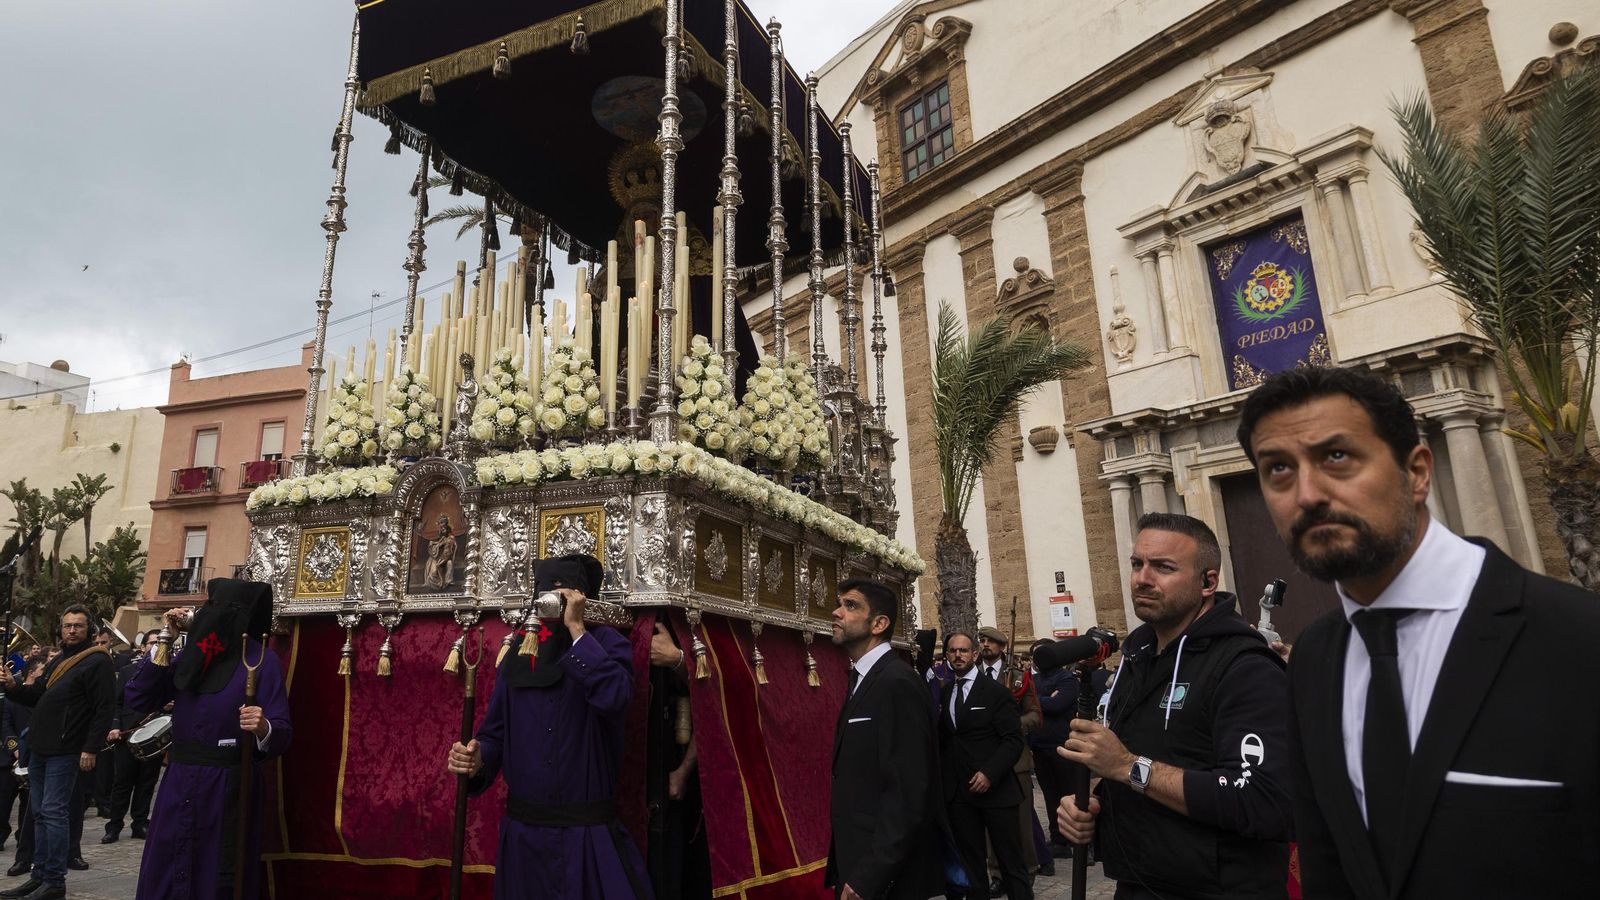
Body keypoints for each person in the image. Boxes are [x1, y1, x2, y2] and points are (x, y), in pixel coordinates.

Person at [1237, 366, 1600, 898]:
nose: (1307, 493)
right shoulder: (1314, 658)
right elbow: (1328, 860)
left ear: (1417, 472)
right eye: (1278, 470)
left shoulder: (1577, 640)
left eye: (1336, 456)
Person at [1057, 513, 1292, 900]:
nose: (1142, 578)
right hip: (1136, 885)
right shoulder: (1137, 657)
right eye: (1137, 564)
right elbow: (1138, 758)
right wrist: (1089, 803)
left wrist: (1128, 767)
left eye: (1163, 567)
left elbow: (1263, 800)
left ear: (1208, 582)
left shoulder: (1245, 667)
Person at [446, 554, 651, 899]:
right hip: (526, 843)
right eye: (545, 590)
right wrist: (478, 756)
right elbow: (494, 734)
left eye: (562, 592)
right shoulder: (520, 652)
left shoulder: (605, 643)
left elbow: (615, 696)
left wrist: (577, 629)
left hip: (586, 840)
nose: (552, 599)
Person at [123, 578, 292, 900]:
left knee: (216, 872)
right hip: (180, 779)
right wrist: (165, 640)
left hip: (228, 784)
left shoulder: (260, 660)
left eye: (217, 607)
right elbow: (138, 697)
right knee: (167, 864)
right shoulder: (195, 653)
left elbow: (281, 730)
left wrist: (262, 726)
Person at [824, 578, 944, 900]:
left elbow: (907, 793)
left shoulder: (898, 682)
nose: (836, 612)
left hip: (885, 876)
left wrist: (870, 876)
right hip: (857, 859)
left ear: (879, 623)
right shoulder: (862, 679)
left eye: (850, 606)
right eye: (839, 604)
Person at [0, 606, 115, 900]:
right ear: (61, 629)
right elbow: (37, 693)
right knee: (38, 815)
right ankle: (38, 876)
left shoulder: (97, 661)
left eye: (77, 626)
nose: (72, 630)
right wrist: (12, 685)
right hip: (39, 746)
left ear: (88, 629)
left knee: (53, 814)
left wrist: (91, 747)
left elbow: (104, 709)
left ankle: (54, 881)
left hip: (67, 749)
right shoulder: (60, 659)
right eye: (67, 626)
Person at [941, 631, 1030, 900]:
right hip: (960, 795)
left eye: (964, 651)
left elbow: (1013, 741)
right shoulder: (945, 694)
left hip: (997, 792)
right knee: (971, 865)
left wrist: (990, 773)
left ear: (975, 655)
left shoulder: (995, 692)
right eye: (953, 651)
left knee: (1011, 863)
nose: (958, 655)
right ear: (947, 656)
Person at [102, 639, 159, 844]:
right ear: (143, 647)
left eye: (160, 642)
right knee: (122, 783)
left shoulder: (166, 672)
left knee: (147, 782)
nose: (155, 645)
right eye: (152, 642)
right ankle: (114, 826)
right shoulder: (127, 671)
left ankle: (140, 823)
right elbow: (116, 703)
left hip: (152, 734)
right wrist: (115, 725)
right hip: (126, 734)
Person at [1028, 638, 1076, 853]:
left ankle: (1078, 841)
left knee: (1070, 793)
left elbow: (1058, 705)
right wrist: (1044, 699)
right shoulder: (1032, 679)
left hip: (1062, 744)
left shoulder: (1067, 678)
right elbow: (1024, 704)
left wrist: (1037, 701)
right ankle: (1058, 838)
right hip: (1039, 744)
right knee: (1049, 794)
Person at [4, 656, 45, 879]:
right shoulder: (14, 696)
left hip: (35, 758)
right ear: (31, 673)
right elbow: (5, 724)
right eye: (42, 670)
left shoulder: (45, 696)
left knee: (29, 811)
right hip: (9, 758)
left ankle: (24, 855)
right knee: (3, 804)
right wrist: (15, 748)